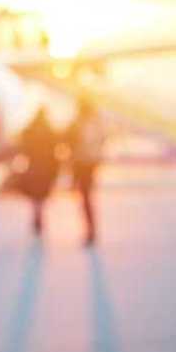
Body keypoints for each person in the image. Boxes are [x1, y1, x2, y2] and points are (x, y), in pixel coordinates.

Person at [65, 98, 107, 247]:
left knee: (85, 197)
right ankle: (91, 229)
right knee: (86, 196)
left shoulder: (79, 123)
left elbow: (70, 140)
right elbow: (102, 140)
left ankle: (90, 230)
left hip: (82, 163)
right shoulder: (97, 122)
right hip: (91, 162)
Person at [14, 107, 59, 237]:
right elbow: (55, 149)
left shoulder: (30, 129)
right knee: (41, 194)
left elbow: (23, 146)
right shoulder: (50, 130)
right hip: (46, 167)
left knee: (35, 194)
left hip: (33, 166)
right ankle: (39, 213)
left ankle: (37, 213)